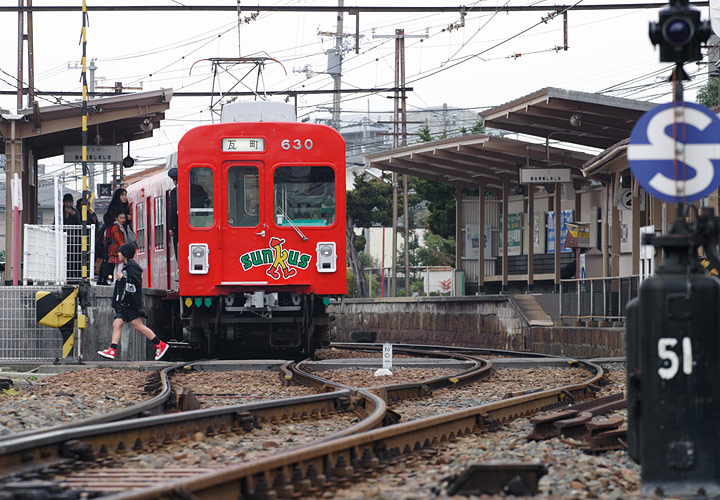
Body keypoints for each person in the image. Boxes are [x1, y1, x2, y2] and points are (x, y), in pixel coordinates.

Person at [98, 242, 169, 361]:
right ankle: (112, 350)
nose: (118, 254)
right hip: (126, 303)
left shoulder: (132, 268)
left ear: (124, 254)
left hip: (131, 303)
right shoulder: (128, 267)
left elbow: (134, 283)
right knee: (117, 323)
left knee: (137, 325)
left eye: (120, 252)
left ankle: (160, 344)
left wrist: (122, 279)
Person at [107, 212, 128, 280]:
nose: (122, 220)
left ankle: (115, 280)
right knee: (120, 265)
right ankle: (118, 280)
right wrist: (124, 248)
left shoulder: (117, 226)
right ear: (116, 218)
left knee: (116, 266)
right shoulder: (116, 227)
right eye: (121, 218)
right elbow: (118, 238)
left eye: (124, 218)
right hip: (118, 249)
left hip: (115, 249)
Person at [167, 168, 178, 262]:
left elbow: (173, 211)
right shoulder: (199, 189)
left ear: (174, 181)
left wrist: (172, 227)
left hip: (179, 229)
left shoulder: (175, 192)